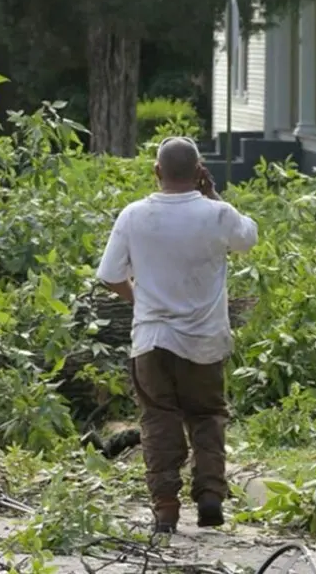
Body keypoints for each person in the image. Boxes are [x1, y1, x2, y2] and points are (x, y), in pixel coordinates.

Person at [95, 136, 259, 534]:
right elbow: (247, 238)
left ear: (157, 171)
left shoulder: (134, 215)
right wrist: (214, 195)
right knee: (207, 416)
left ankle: (166, 508)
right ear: (199, 171)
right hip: (205, 341)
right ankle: (210, 495)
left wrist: (141, 300)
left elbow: (110, 275)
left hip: (152, 340)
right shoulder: (217, 214)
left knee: (158, 420)